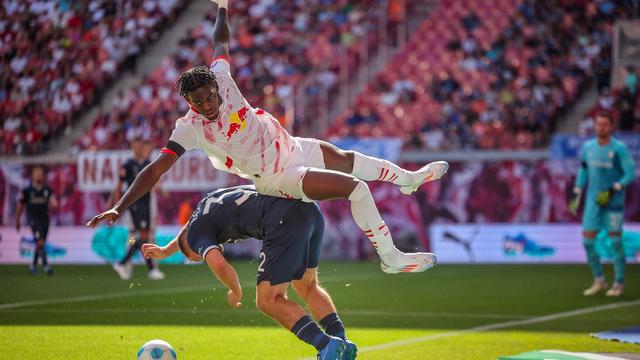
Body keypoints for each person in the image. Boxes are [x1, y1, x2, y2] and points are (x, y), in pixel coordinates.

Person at [88, 0, 445, 274]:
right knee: (356, 187)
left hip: (290, 146)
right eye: (197, 102)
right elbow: (155, 169)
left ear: (215, 87)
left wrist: (223, 7)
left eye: (209, 97)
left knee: (347, 158)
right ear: (187, 102)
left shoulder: (222, 79)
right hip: (276, 177)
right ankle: (390, 257)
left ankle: (408, 180)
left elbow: (220, 41)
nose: (206, 105)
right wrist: (120, 206)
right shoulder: (189, 128)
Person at [141, 186, 358, 359]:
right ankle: (342, 343)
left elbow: (218, 264)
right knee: (307, 285)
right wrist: (164, 251)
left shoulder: (197, 236)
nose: (198, 256)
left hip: (282, 220)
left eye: (195, 255)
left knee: (268, 300)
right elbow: (186, 233)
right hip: (308, 209)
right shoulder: (204, 207)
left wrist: (234, 290)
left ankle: (327, 345)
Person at [569, 113, 636, 297]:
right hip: (593, 201)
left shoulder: (619, 148)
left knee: (615, 242)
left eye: (605, 125)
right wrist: (577, 191)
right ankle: (599, 280)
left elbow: (630, 173)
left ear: (611, 127)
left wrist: (614, 189)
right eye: (599, 125)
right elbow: (583, 170)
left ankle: (619, 283)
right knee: (588, 242)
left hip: (613, 202)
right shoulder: (588, 148)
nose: (601, 128)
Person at [108, 137, 165, 280]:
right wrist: (116, 207)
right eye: (136, 146)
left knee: (139, 237)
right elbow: (118, 187)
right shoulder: (127, 165)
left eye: (140, 146)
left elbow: (154, 181)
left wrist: (160, 188)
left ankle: (126, 264)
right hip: (133, 206)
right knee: (137, 236)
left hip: (145, 205)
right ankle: (133, 265)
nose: (139, 148)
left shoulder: (147, 164)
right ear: (132, 148)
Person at [16, 166, 59, 275]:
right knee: (40, 240)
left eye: (41, 173)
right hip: (33, 220)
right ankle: (46, 265)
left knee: (41, 243)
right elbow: (20, 205)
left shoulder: (47, 190)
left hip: (45, 220)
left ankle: (33, 266)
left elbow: (53, 201)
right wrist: (17, 219)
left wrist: (55, 204)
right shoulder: (27, 191)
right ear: (33, 176)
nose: (39, 175)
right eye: (37, 173)